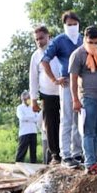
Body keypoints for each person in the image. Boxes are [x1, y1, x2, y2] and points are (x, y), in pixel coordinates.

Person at [41, 12, 83, 168]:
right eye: (69, 24)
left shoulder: (81, 39)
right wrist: (54, 79)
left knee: (79, 119)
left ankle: (77, 153)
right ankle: (65, 154)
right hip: (66, 83)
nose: (72, 26)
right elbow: (45, 61)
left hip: (81, 83)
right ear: (64, 25)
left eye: (74, 23)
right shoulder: (59, 41)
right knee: (66, 119)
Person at [69, 26, 97, 175]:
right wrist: (75, 99)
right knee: (88, 131)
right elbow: (73, 79)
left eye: (96, 42)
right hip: (87, 98)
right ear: (85, 39)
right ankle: (90, 163)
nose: (93, 45)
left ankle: (95, 162)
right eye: (90, 42)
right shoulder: (78, 54)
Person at [29, 26, 62, 164]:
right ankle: (55, 155)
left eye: (41, 38)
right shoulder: (36, 56)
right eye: (36, 39)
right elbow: (33, 78)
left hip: (64, 92)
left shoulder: (59, 49)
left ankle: (73, 154)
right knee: (50, 125)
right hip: (47, 94)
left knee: (68, 123)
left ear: (49, 36)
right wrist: (33, 99)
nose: (39, 42)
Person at [15, 92, 41, 163]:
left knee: (33, 151)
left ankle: (34, 166)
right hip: (24, 132)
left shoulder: (32, 107)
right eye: (28, 98)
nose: (29, 99)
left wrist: (29, 119)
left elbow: (37, 118)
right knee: (22, 151)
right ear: (23, 99)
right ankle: (18, 164)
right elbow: (22, 118)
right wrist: (32, 118)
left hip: (33, 131)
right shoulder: (19, 108)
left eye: (30, 98)